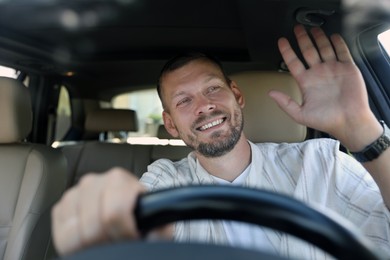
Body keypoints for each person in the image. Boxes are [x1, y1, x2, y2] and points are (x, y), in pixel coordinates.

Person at [51, 25, 390, 258]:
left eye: (212, 88)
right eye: (183, 101)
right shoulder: (166, 180)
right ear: (170, 123)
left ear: (236, 95)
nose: (204, 106)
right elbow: (136, 229)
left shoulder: (321, 163)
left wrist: (362, 132)